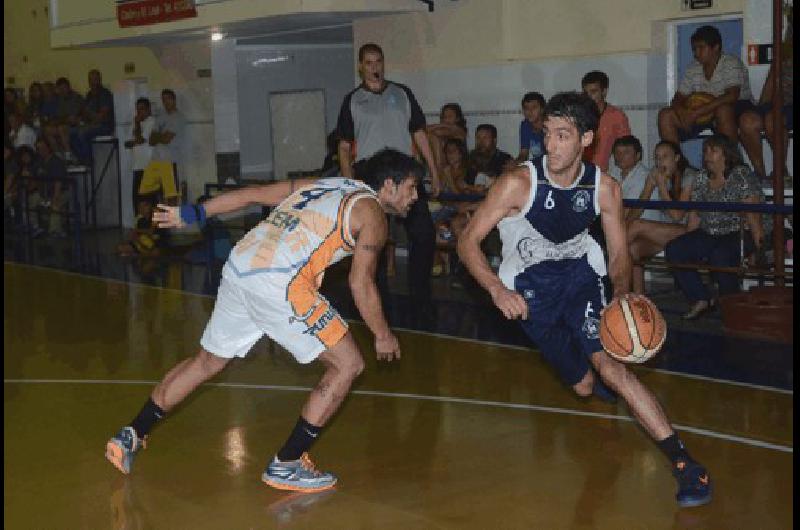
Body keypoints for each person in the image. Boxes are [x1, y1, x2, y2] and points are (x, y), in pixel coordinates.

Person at [105, 149, 423, 492]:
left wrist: (196, 212)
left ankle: (131, 434)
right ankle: (287, 464)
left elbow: (255, 194)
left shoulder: (327, 184)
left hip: (241, 266)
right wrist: (382, 333)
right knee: (348, 364)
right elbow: (360, 282)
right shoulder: (373, 213)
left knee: (207, 361)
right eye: (411, 187)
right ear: (388, 185)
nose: (415, 196)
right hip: (280, 283)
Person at [457, 91, 712, 508]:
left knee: (614, 370)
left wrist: (621, 297)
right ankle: (599, 379)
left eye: (562, 135)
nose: (551, 145)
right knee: (582, 386)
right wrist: (496, 290)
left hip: (580, 280)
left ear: (587, 139)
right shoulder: (516, 184)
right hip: (528, 292)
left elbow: (617, 254)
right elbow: (467, 242)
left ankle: (686, 465)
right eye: (547, 134)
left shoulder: (604, 188)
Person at [336, 43, 440, 321]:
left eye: (378, 61)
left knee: (424, 234)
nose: (374, 67)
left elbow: (419, 133)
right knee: (374, 238)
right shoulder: (353, 100)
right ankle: (376, 297)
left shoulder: (402, 93)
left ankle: (421, 298)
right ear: (361, 66)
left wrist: (434, 171)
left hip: (404, 173)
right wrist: (349, 185)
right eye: (369, 62)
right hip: (371, 175)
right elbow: (344, 146)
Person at [665, 134, 769, 319]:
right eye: (705, 151)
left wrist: (759, 248)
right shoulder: (702, 177)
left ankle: (732, 303)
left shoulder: (741, 175)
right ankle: (701, 298)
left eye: (713, 150)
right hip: (710, 231)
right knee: (676, 249)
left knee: (720, 254)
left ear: (726, 154)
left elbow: (753, 215)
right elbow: (696, 214)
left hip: (739, 232)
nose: (707, 155)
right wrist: (690, 242)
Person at [657, 25, 754, 159]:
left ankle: (732, 164)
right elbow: (678, 98)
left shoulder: (730, 62)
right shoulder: (693, 68)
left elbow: (732, 96)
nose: (696, 52)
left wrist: (697, 113)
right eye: (694, 48)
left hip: (736, 108)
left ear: (716, 47)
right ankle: (678, 168)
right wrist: (682, 112)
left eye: (701, 48)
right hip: (704, 114)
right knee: (665, 115)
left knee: (723, 110)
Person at [626, 141, 699, 294]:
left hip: (689, 232)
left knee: (638, 225)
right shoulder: (655, 173)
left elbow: (677, 216)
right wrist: (651, 184)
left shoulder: (689, 176)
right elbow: (637, 209)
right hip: (665, 234)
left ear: (677, 158)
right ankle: (640, 300)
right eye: (657, 157)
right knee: (633, 248)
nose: (660, 162)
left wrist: (662, 187)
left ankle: (604, 268)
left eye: (665, 157)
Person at [581, 71, 631, 172]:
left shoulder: (616, 116)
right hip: (583, 173)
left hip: (609, 174)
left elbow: (627, 149)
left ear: (604, 92)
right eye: (586, 93)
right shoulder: (580, 115)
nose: (589, 97)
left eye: (593, 92)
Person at [142, 89, 185, 205]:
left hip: (171, 160)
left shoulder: (178, 117)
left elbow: (167, 139)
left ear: (174, 100)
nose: (166, 102)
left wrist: (159, 137)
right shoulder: (160, 117)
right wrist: (161, 136)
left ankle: (173, 221)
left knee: (171, 194)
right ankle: (162, 220)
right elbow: (151, 140)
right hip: (157, 161)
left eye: (168, 99)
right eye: (163, 100)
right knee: (157, 194)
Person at [72, 69, 115, 164]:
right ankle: (81, 158)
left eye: (96, 79)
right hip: (92, 124)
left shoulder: (105, 94)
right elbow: (85, 114)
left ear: (100, 80)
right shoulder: (89, 95)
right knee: (71, 132)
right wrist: (79, 119)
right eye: (91, 80)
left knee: (82, 132)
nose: (93, 82)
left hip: (105, 126)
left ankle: (88, 159)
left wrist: (88, 114)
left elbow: (101, 117)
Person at [124, 97, 156, 218]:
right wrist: (135, 140)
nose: (139, 112)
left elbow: (141, 139)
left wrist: (137, 125)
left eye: (142, 109)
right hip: (137, 166)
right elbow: (127, 143)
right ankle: (139, 226)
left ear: (148, 109)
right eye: (138, 110)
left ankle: (152, 227)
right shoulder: (135, 122)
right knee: (137, 198)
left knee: (148, 199)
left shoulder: (152, 122)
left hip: (148, 165)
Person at [466, 123, 514, 191]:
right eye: (478, 138)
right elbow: (464, 184)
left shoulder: (505, 159)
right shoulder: (470, 157)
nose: (481, 142)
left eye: (485, 138)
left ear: (494, 140)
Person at [426, 103, 468, 174]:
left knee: (433, 137)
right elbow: (424, 130)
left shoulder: (459, 130)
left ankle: (437, 170)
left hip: (458, 164)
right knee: (431, 137)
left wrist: (441, 125)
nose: (446, 119)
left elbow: (438, 132)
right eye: (444, 117)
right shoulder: (443, 130)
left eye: (450, 116)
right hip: (445, 163)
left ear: (457, 118)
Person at [517, 91, 546, 163]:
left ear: (542, 110)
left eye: (534, 107)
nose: (530, 111)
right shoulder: (525, 125)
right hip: (539, 166)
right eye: (526, 108)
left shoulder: (550, 125)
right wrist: (515, 164)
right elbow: (524, 154)